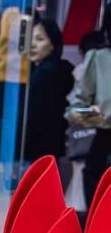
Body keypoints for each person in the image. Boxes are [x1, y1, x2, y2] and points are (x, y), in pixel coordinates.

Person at [67, 26, 111, 208]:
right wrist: (90, 114)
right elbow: (77, 105)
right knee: (96, 189)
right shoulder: (99, 59)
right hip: (104, 137)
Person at [23, 17, 73, 163]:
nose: (32, 45)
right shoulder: (61, 69)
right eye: (30, 39)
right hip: (53, 145)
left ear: (52, 45)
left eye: (39, 39)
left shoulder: (45, 74)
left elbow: (36, 117)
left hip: (37, 148)